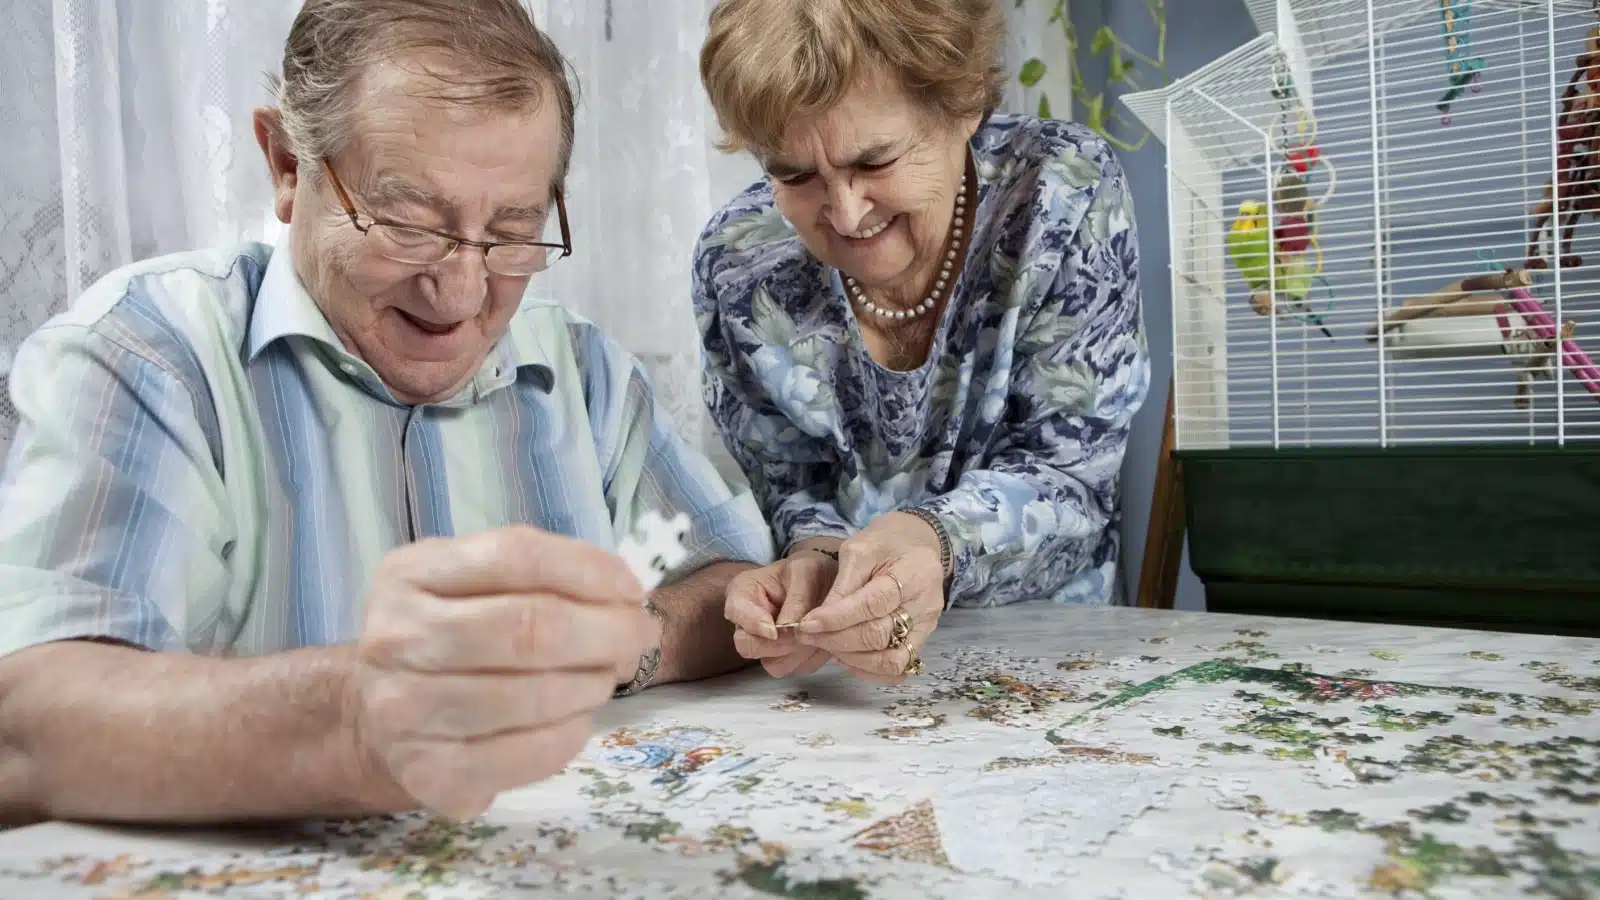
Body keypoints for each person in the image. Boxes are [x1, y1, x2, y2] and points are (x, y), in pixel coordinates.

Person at [0, 0, 773, 828]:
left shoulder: (582, 367)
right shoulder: (148, 353)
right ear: (288, 165)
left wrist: (635, 642)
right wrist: (354, 720)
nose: (462, 292)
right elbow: (28, 728)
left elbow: (732, 590)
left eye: (513, 231)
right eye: (408, 223)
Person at [695, 0, 1150, 685]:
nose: (846, 213)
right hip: (837, 679)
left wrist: (934, 541)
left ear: (962, 104)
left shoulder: (1061, 193)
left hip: (1051, 661)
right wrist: (813, 562)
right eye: (794, 174)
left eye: (875, 160)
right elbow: (788, 488)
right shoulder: (738, 263)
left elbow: (1075, 484)